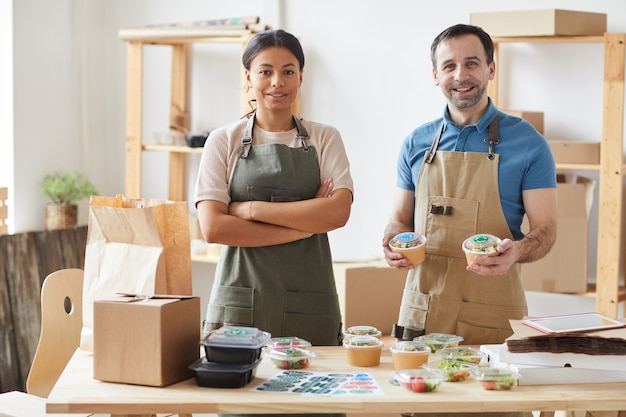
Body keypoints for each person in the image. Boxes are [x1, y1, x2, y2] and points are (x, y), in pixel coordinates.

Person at [194, 30, 352, 417]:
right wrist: (305, 221)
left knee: (314, 405)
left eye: (288, 71)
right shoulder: (223, 141)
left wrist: (252, 210)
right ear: (248, 76)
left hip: (309, 299)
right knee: (241, 405)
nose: (277, 82)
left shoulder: (324, 138)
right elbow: (213, 228)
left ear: (301, 77)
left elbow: (337, 214)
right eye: (265, 71)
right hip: (241, 300)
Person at [382, 23, 557, 349]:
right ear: (435, 75)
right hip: (422, 314)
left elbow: (546, 230)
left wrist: (515, 251)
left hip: (492, 316)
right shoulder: (415, 143)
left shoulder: (529, 144)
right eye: (449, 66)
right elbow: (399, 219)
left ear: (490, 68)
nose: (460, 75)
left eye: (472, 63)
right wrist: (392, 241)